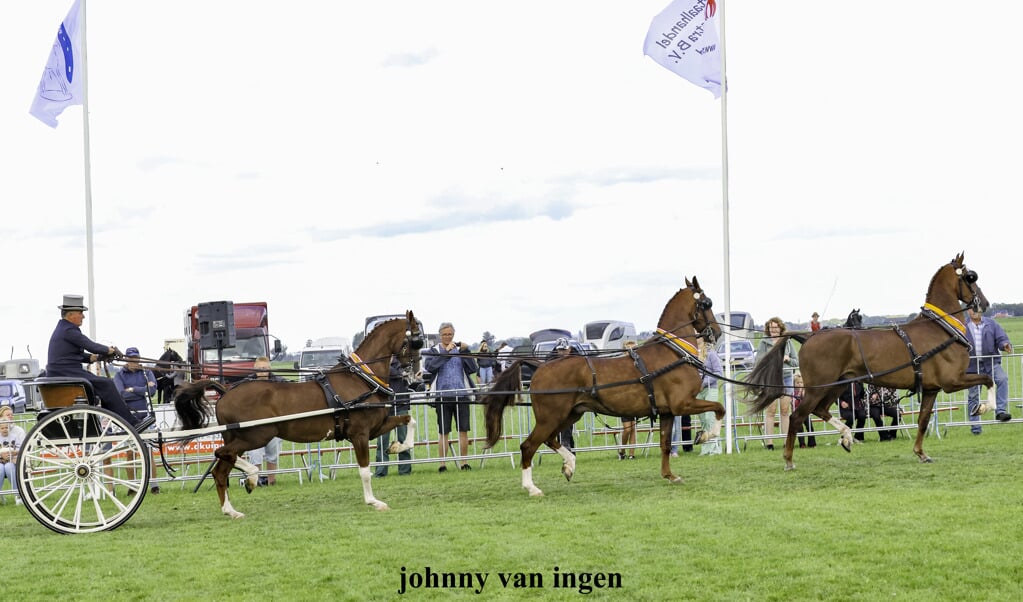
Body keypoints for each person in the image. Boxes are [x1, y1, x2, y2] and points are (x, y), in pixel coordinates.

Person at [46, 294, 151, 431]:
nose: (83, 316)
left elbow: (78, 355)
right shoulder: (68, 330)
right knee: (107, 384)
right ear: (70, 314)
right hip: (66, 372)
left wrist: (97, 357)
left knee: (104, 387)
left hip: (64, 371)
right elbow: (90, 345)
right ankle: (131, 423)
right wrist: (110, 350)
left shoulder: (63, 329)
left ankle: (122, 420)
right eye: (81, 313)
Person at [424, 322, 478, 472]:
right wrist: (446, 354)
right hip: (442, 396)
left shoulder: (459, 350)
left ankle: (464, 462)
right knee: (443, 432)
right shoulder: (433, 351)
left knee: (463, 431)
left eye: (450, 334)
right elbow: (430, 367)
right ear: (440, 335)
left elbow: (473, 368)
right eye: (445, 334)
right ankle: (442, 464)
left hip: (461, 395)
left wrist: (467, 352)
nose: (448, 337)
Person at [114, 347, 160, 493]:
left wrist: (132, 389)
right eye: (131, 359)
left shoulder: (147, 372)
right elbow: (121, 394)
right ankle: (132, 486)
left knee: (149, 451)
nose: (135, 361)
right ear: (126, 360)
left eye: (136, 358)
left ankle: (154, 485)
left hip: (145, 416)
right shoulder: (119, 375)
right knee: (130, 453)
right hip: (128, 417)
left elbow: (153, 390)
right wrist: (142, 390)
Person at [965, 306, 1013, 432]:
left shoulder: (992, 324)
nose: (974, 311)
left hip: (990, 363)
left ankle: (1000, 411)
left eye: (977, 309)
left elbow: (1002, 338)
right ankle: (976, 427)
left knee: (1002, 379)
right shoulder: (963, 326)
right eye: (971, 309)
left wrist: (1005, 345)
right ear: (968, 311)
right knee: (973, 395)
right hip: (972, 366)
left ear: (981, 310)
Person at [756, 317, 798, 450]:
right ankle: (769, 442)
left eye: (776, 327)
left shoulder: (788, 342)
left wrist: (788, 359)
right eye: (771, 328)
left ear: (780, 328)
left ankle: (786, 441)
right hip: (771, 380)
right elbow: (758, 361)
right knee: (771, 410)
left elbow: (796, 362)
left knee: (785, 410)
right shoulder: (764, 342)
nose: (773, 330)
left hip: (785, 378)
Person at [242, 356, 285, 486]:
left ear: (269, 369)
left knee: (273, 453)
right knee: (255, 453)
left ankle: (271, 481)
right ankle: (257, 481)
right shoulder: (246, 383)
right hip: (254, 426)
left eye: (265, 368)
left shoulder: (280, 382)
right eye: (260, 369)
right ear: (254, 369)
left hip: (274, 424)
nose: (262, 371)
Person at [374, 356, 413, 477]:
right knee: (382, 442)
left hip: (401, 406)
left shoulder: (402, 362)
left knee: (403, 440)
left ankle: (405, 470)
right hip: (384, 408)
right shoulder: (378, 364)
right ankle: (381, 471)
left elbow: (398, 374)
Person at [545, 338, 579, 451]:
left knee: (568, 419)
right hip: (556, 395)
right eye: (560, 350)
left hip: (574, 396)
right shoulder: (550, 359)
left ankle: (566, 443)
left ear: (569, 348)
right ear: (556, 350)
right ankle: (565, 444)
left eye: (564, 350)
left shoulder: (578, 358)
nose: (563, 353)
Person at [695, 338, 722, 456]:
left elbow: (718, 372)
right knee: (703, 419)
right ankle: (706, 448)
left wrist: (704, 383)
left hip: (710, 389)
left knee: (709, 417)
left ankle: (714, 448)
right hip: (697, 391)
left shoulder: (711, 354)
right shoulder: (691, 353)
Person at [0, 406, 25, 505]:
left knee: (9, 467)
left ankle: (17, 494)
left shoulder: (16, 433)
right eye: (7, 415)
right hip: (1, 460)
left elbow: (21, 447)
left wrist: (13, 453)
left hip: (13, 459)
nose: (10, 417)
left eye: (11, 414)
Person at [619, 340, 639, 460]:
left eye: (633, 349)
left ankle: (632, 454)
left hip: (635, 398)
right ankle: (622, 450)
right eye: (629, 350)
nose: (631, 352)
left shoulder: (637, 363)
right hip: (624, 399)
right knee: (627, 428)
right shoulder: (621, 364)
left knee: (633, 427)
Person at [792, 372, 816, 448]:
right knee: (800, 428)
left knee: (810, 427)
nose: (800, 384)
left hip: (805, 412)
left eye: (801, 382)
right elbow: (794, 402)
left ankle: (812, 443)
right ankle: (802, 443)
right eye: (797, 383)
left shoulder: (805, 391)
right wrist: (798, 395)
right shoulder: (793, 392)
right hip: (797, 413)